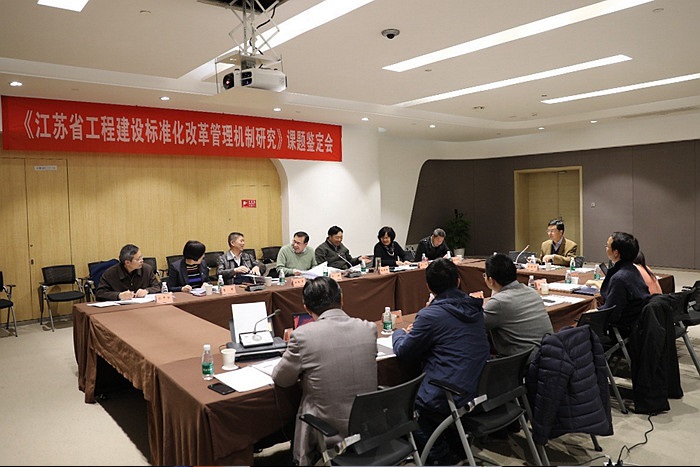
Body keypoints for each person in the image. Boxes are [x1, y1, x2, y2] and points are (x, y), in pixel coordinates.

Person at [392, 258, 490, 465]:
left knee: (403, 405)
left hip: (449, 392)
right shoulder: (475, 307)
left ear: (428, 287)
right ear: (458, 281)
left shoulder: (431, 315)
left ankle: (442, 457)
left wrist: (398, 333)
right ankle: (457, 447)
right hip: (478, 385)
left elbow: (404, 352)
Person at [271, 276, 378, 466]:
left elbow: (281, 379)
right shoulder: (368, 328)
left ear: (306, 308)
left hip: (328, 431)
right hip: (369, 427)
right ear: (342, 299)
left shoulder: (302, 336)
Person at [482, 253, 553, 360]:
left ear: (491, 280)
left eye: (485, 275)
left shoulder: (498, 302)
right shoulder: (531, 291)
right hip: (548, 355)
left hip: (525, 363)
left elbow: (476, 326)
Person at [596, 232, 651, 337]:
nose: (606, 248)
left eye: (607, 246)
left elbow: (611, 313)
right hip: (637, 323)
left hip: (624, 328)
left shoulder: (619, 278)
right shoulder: (632, 269)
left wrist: (592, 313)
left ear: (616, 253)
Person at [95, 244, 161, 301]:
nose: (142, 260)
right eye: (138, 259)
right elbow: (100, 294)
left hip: (143, 306)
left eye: (141, 257)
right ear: (127, 262)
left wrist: (146, 291)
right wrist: (119, 295)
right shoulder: (110, 274)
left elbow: (157, 287)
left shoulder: (147, 269)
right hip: (120, 308)